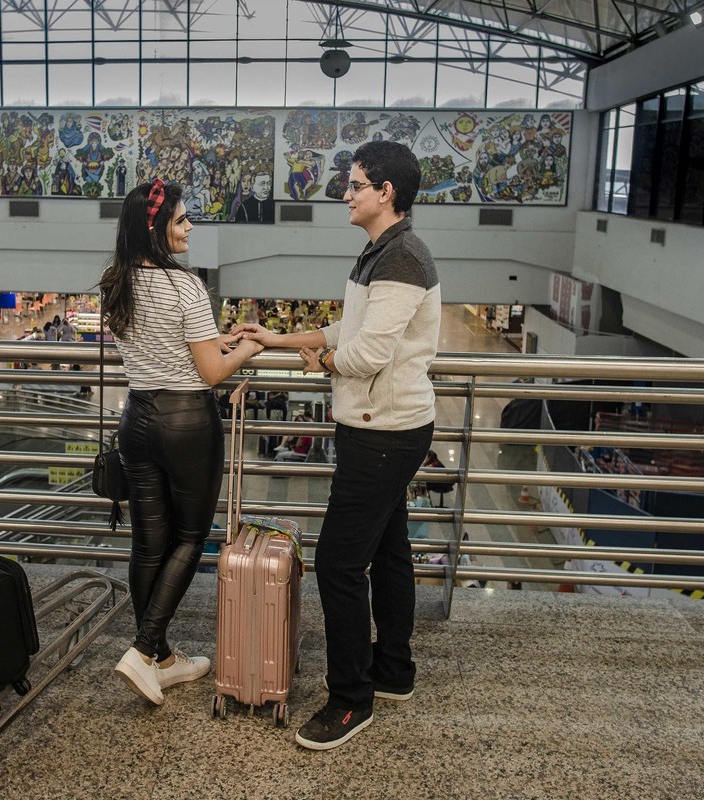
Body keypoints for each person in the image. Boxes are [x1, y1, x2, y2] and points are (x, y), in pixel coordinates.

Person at [234, 140, 440, 750]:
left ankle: (352, 699)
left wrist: (321, 360)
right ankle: (393, 670)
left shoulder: (400, 257)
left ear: (387, 193)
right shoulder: (382, 252)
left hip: (383, 430)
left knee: (340, 564)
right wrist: (275, 340)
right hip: (388, 425)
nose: (345, 195)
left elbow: (365, 353)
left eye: (355, 185)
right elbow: (348, 330)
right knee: (392, 548)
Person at [102, 177, 263, 706]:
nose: (190, 226)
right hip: (186, 423)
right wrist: (248, 348)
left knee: (148, 543)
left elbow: (161, 346)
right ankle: (144, 647)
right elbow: (212, 373)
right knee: (191, 538)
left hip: (138, 419)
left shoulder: (117, 281)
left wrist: (217, 339)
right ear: (156, 228)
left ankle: (163, 659)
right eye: (181, 219)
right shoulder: (185, 286)